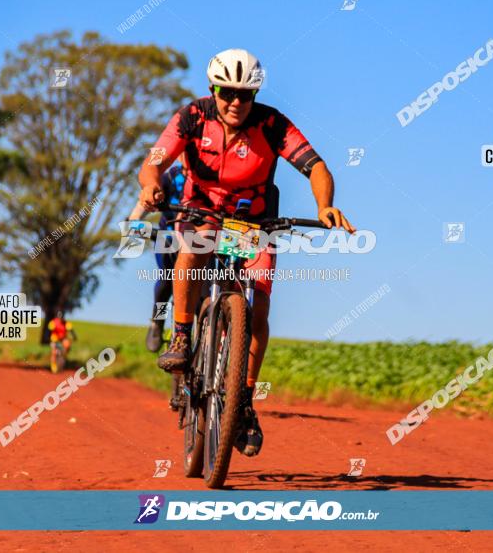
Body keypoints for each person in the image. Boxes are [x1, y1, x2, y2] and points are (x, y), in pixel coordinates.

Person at [137, 48, 355, 457]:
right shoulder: (192, 117)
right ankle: (182, 337)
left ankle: (244, 401)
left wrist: (324, 205)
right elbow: (153, 160)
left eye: (246, 94)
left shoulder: (271, 124)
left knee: (258, 310)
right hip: (198, 211)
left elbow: (316, 166)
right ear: (212, 89)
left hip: (252, 222)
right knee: (193, 248)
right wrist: (150, 184)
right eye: (227, 92)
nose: (236, 102)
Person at [128, 163, 187, 352]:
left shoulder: (210, 176)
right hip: (169, 239)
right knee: (167, 280)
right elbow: (149, 195)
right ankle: (158, 320)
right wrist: (135, 219)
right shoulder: (171, 177)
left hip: (199, 241)